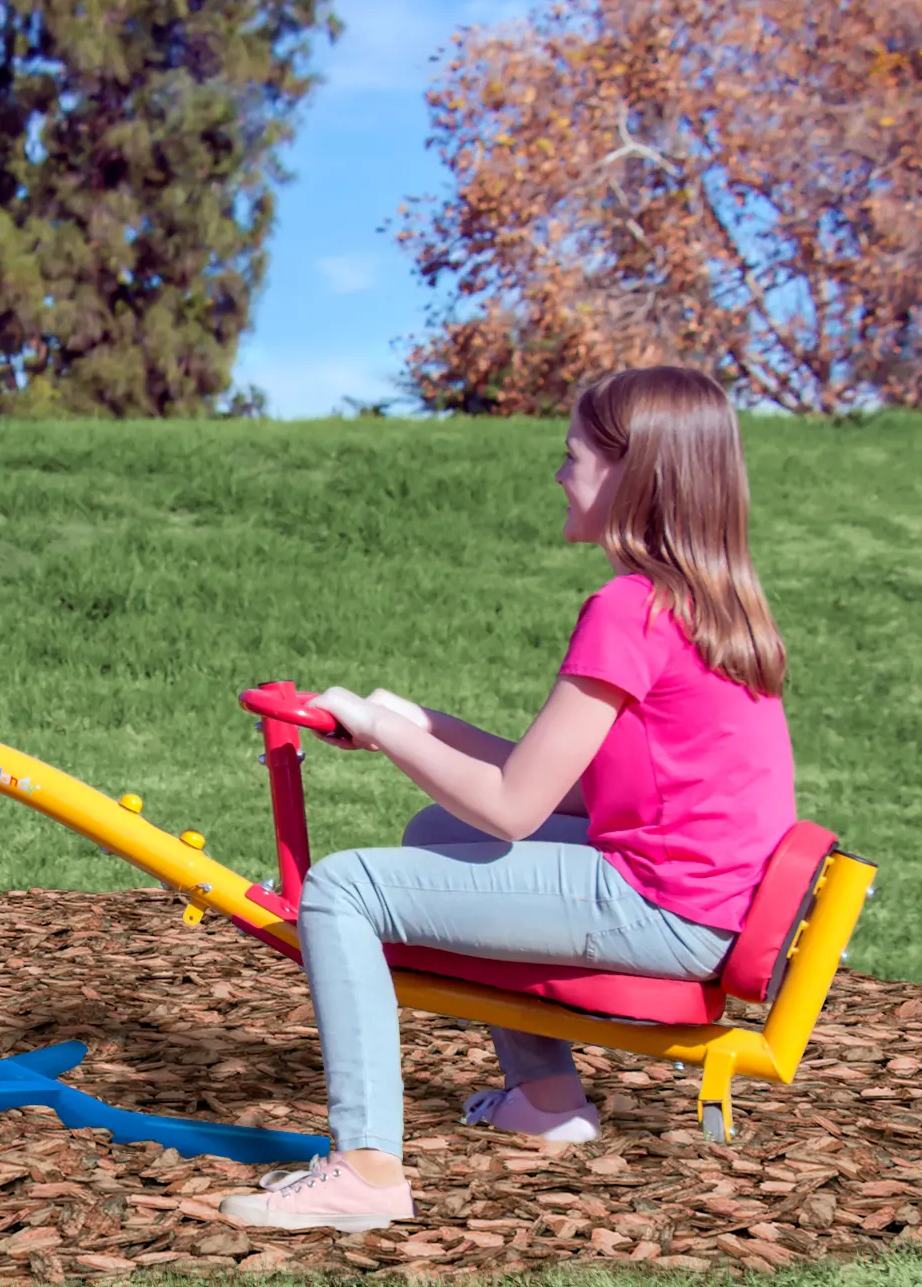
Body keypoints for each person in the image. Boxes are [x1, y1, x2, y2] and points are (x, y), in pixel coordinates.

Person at [224, 366, 794, 1231]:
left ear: (631, 472)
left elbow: (516, 808)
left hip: (665, 908)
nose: (560, 473)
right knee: (434, 829)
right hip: (702, 896)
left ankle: (367, 1170)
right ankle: (546, 1098)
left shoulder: (627, 609)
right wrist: (416, 721)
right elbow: (548, 774)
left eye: (573, 456)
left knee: (344, 889)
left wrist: (381, 735)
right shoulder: (706, 605)